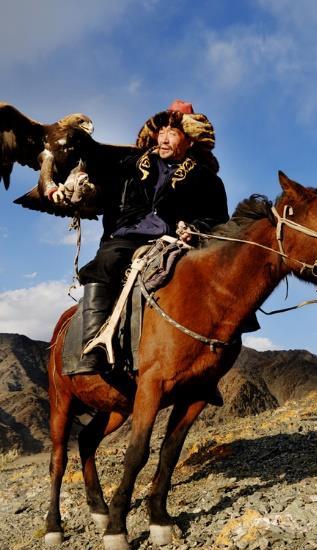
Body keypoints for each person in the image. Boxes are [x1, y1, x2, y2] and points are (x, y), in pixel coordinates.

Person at [73, 100, 229, 374]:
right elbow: (93, 167)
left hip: (178, 241)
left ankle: (211, 365)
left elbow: (219, 220)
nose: (164, 138)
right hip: (130, 235)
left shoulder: (208, 180)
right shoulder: (131, 164)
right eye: (162, 132)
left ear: (190, 140)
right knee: (107, 260)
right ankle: (93, 345)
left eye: (173, 133)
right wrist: (75, 183)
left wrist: (195, 228)